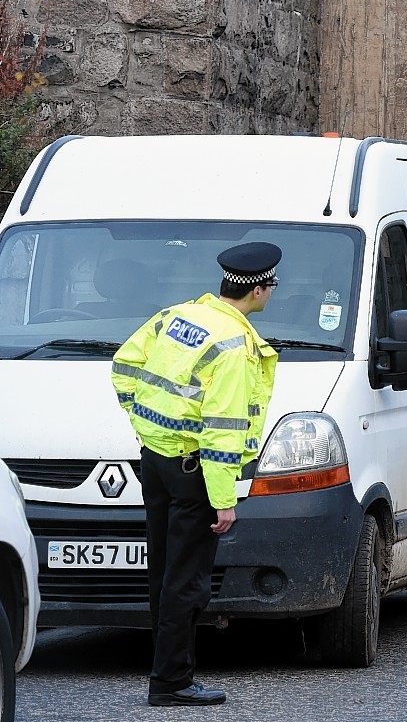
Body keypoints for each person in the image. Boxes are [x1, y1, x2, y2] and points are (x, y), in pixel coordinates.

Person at [111, 242, 281, 707]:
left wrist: (145, 424)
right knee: (187, 581)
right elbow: (224, 430)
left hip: (157, 461)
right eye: (272, 287)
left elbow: (124, 366)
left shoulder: (178, 316)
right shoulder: (233, 347)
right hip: (195, 475)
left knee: (164, 572)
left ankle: (166, 671)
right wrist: (224, 500)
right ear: (259, 291)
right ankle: (171, 682)